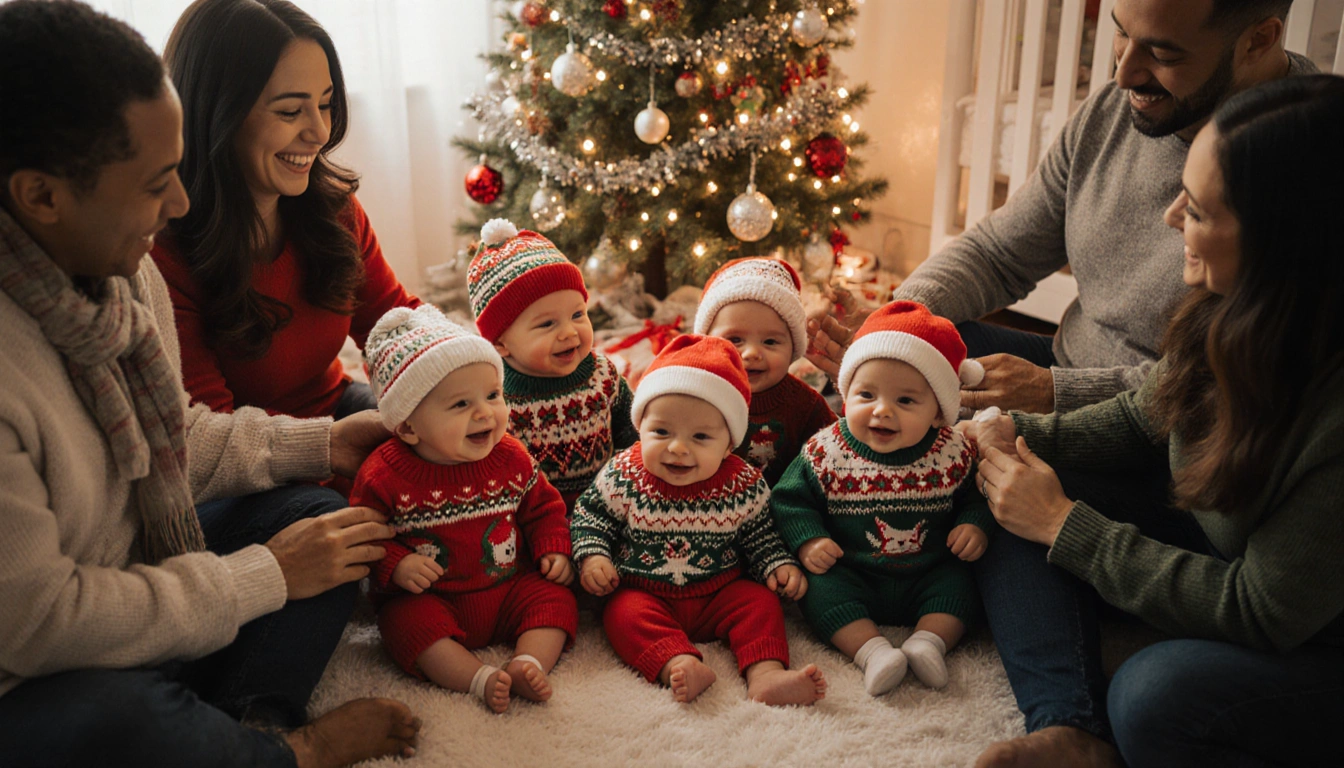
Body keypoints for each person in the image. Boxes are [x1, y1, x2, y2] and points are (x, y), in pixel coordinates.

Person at [0, 2, 420, 767]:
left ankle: (237, 720)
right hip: (38, 664)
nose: (180, 203)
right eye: (158, 181)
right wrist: (261, 578)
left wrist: (324, 442)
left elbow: (180, 438)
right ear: (41, 197)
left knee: (324, 520)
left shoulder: (119, 275)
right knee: (112, 716)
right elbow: (40, 622)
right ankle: (284, 752)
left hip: (147, 568)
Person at [966, 73, 1344, 767]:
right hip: (1228, 547)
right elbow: (1143, 417)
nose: (1172, 218)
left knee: (1156, 694)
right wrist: (1007, 439)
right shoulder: (1229, 310)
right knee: (1004, 480)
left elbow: (1262, 611)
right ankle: (1068, 727)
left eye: (1197, 209)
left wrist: (1063, 527)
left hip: (1313, 634)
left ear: (1285, 239)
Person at [806, 0, 1313, 417]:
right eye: (1120, 34)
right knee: (908, 360)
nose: (1122, 75)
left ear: (1259, 40)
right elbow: (1000, 252)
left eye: (1162, 53)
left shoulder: (1300, 168)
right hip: (1063, 366)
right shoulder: (1116, 109)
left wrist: (1054, 396)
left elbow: (1215, 389)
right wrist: (903, 318)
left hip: (1165, 426)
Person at [151, 0, 420, 421]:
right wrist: (333, 452)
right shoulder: (161, 255)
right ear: (216, 115)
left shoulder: (334, 210)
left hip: (335, 407)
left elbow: (398, 324)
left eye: (326, 104)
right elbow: (211, 436)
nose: (319, 132)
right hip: (243, 461)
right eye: (290, 111)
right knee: (329, 492)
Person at [571, 335, 826, 706]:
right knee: (621, 613)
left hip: (719, 592)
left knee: (759, 603)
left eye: (701, 436)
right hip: (647, 592)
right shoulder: (624, 473)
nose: (677, 447)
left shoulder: (743, 482)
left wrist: (777, 565)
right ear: (640, 428)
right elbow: (591, 516)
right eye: (661, 432)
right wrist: (594, 556)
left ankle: (766, 674)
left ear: (728, 445)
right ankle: (678, 661)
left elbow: (760, 535)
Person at [351, 305, 578, 713]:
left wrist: (552, 546)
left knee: (555, 598)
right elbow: (365, 537)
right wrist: (396, 564)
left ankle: (527, 663)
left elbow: (542, 505)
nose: (485, 413)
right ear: (407, 426)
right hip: (431, 598)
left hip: (509, 586)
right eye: (460, 405)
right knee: (404, 626)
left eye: (493, 395)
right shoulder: (382, 476)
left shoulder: (511, 457)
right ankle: (477, 677)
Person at [772, 302, 995, 696]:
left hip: (929, 571)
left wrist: (973, 524)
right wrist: (809, 540)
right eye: (866, 394)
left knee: (964, 583)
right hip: (853, 569)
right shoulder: (826, 450)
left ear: (938, 412)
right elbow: (789, 499)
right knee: (819, 588)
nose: (881, 410)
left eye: (905, 401)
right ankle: (872, 652)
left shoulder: (953, 452)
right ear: (846, 392)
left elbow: (977, 495)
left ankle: (929, 642)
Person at [468, 218, 638, 509]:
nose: (570, 332)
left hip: (606, 503)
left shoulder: (602, 375)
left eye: (577, 315)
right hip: (535, 515)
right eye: (547, 324)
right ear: (500, 344)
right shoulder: (496, 395)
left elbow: (632, 431)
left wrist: (628, 483)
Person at [696, 257, 836, 486]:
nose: (751, 353)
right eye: (735, 339)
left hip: (783, 510)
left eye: (770, 341)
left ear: (793, 349)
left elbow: (839, 451)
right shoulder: (695, 395)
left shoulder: (806, 406)